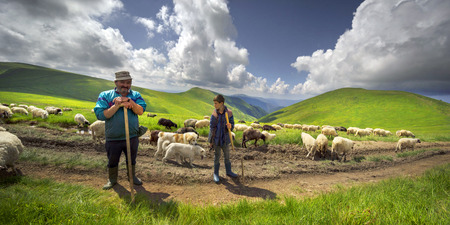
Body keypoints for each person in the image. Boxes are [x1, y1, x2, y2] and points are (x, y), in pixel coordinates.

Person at [94, 71, 147, 190]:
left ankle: (132, 177)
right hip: (113, 137)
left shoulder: (136, 95)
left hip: (132, 136)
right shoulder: (105, 95)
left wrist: (130, 102)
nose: (125, 85)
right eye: (122, 82)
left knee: (132, 159)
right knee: (112, 160)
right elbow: (101, 115)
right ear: (116, 82)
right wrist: (116, 105)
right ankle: (112, 179)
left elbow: (140, 111)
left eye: (128, 82)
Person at [208, 94, 238, 183]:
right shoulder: (214, 114)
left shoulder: (229, 113)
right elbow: (211, 128)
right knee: (217, 157)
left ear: (221, 103)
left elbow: (232, 124)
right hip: (216, 140)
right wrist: (210, 141)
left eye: (216, 103)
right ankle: (216, 173)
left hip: (225, 140)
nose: (214, 105)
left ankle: (228, 171)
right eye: (214, 103)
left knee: (227, 156)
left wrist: (230, 126)